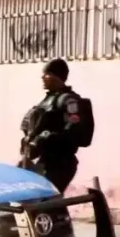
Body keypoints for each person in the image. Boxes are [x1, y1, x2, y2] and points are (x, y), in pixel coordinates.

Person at [18, 58, 90, 193]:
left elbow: (73, 130)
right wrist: (29, 140)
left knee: (47, 197)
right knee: (34, 198)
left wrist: (46, 138)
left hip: (61, 163)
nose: (42, 77)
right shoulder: (48, 100)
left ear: (55, 76)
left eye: (46, 74)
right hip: (44, 160)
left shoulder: (69, 101)